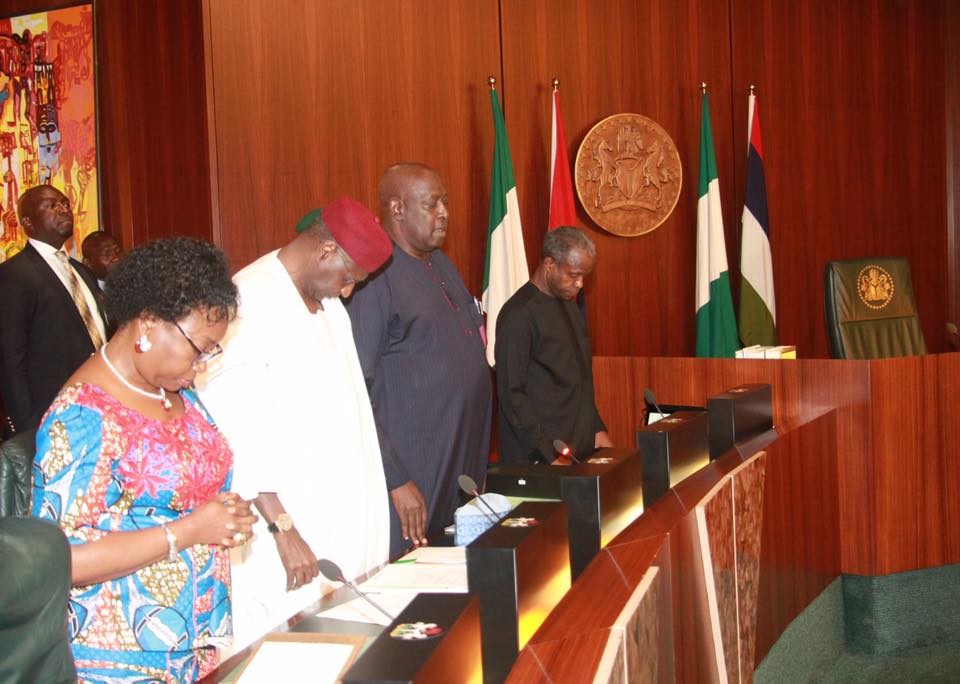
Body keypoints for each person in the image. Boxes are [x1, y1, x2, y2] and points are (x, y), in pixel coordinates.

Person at [31, 237, 257, 682]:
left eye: (212, 352)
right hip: (118, 660)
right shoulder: (82, 415)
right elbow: (59, 559)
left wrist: (225, 516)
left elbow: (185, 491)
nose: (202, 364)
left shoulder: (173, 391)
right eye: (199, 349)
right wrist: (191, 530)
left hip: (190, 647)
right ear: (150, 322)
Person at [196, 196, 394, 654]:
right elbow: (236, 432)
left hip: (333, 524)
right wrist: (282, 529)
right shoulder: (248, 303)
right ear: (326, 251)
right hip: (283, 535)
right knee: (282, 651)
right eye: (349, 277)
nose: (349, 291)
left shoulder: (328, 305)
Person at [346, 163, 492, 557]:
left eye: (445, 202)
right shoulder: (376, 277)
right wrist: (395, 479)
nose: (444, 212)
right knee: (414, 581)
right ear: (397, 208)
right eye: (431, 204)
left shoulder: (440, 262)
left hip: (460, 463)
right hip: (414, 475)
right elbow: (359, 387)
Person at [495, 226, 613, 464]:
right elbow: (511, 394)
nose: (580, 284)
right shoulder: (518, 314)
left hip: (577, 447)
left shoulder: (568, 304)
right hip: (541, 457)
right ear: (549, 264)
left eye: (583, 276)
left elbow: (580, 378)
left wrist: (596, 427)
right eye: (573, 275)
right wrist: (546, 452)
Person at [0, 185, 109, 436]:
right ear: (27, 222)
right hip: (53, 418)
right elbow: (10, 360)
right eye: (51, 205)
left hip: (103, 408)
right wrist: (29, 430)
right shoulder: (14, 274)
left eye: (65, 203)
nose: (63, 209)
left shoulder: (82, 272)